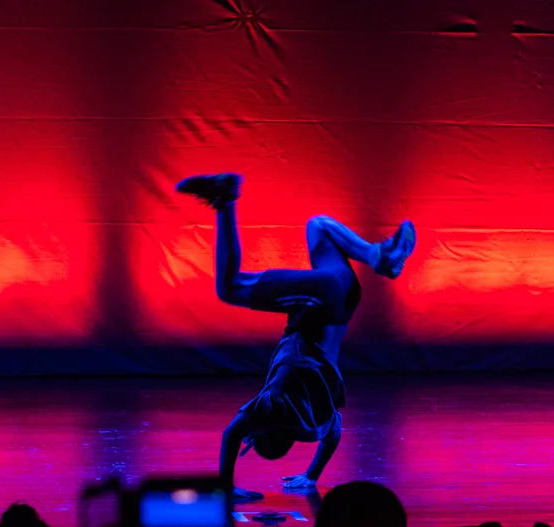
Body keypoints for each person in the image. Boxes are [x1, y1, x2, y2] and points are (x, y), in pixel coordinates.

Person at [174, 171, 415, 502]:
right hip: (322, 301)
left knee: (319, 227)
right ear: (264, 430)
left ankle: (375, 255)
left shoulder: (318, 423)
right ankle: (225, 199)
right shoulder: (272, 407)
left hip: (345, 298)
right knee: (229, 288)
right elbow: (232, 434)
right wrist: (226, 487)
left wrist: (311, 476)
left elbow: (332, 437)